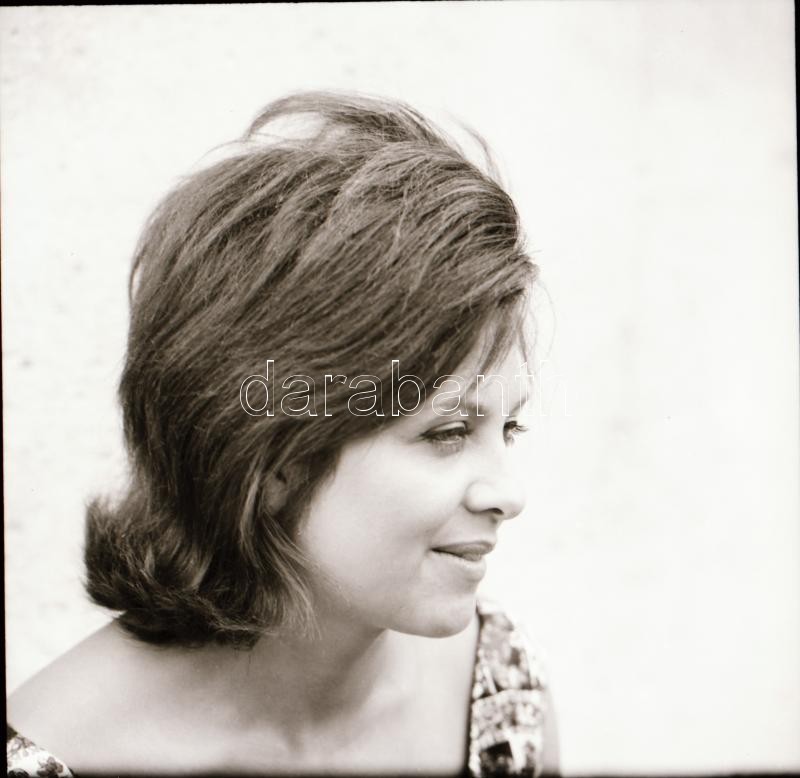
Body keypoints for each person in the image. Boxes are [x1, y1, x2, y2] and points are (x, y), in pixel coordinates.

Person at [6, 91, 559, 776]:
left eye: (510, 427)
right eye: (447, 432)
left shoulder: (499, 691)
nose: (508, 494)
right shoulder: (58, 761)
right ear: (269, 463)